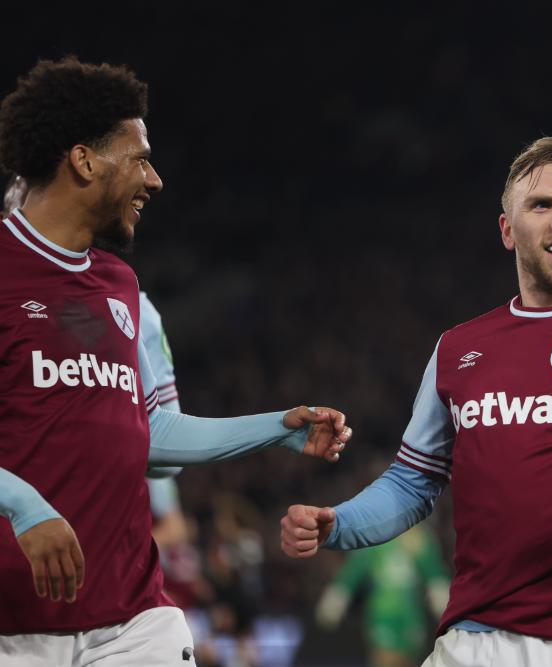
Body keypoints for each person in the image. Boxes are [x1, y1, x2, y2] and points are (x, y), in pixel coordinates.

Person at [282, 136, 552, 667]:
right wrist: (338, 522)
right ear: (508, 230)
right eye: (541, 204)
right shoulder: (458, 348)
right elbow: (412, 482)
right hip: (468, 640)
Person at [0, 56, 351, 666]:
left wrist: (273, 430)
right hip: (14, 622)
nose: (155, 180)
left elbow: (152, 434)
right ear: (84, 162)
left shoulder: (121, 288)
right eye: (140, 158)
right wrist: (23, 503)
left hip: (133, 619)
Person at [315, 522, 451, 667]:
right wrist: (337, 597)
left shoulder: (419, 538)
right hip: (382, 613)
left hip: (411, 615)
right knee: (385, 659)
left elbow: (434, 571)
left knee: (408, 660)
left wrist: (444, 601)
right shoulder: (374, 538)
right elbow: (353, 571)